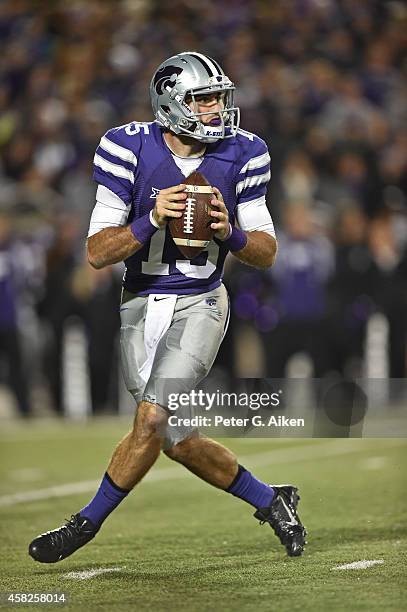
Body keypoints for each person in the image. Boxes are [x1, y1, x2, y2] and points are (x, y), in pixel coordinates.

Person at [28, 51, 306, 562]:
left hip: (201, 301)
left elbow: (266, 253)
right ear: (171, 103)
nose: (217, 110)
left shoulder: (245, 152)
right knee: (175, 437)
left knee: (153, 417)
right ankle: (272, 500)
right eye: (204, 99)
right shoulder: (126, 147)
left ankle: (84, 525)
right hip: (139, 303)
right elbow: (96, 252)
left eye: (220, 98)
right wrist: (151, 218)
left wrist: (232, 232)